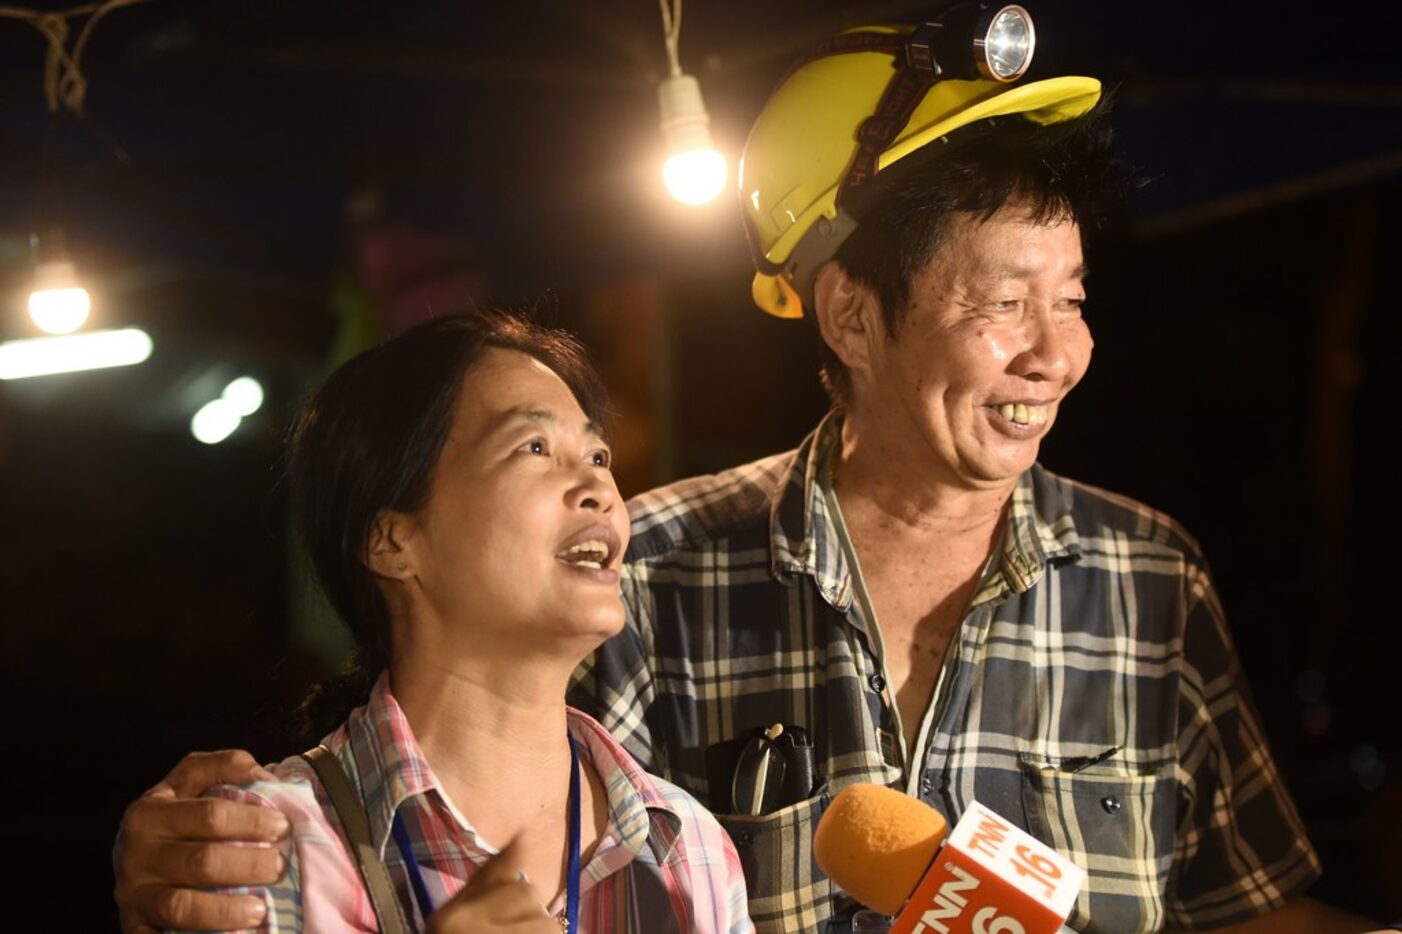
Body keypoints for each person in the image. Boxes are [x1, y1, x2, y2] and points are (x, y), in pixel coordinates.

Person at [115, 15, 1386, 934]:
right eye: (1004, 303)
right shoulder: (641, 575)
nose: (1057, 351)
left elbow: (1244, 910)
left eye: (1072, 299)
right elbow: (479, 842)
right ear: (848, 314)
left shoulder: (1149, 577)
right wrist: (209, 857)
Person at [153, 312, 751, 932]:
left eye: (597, 454)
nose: (598, 486)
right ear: (392, 541)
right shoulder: (263, 847)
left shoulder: (689, 850)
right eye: (535, 447)